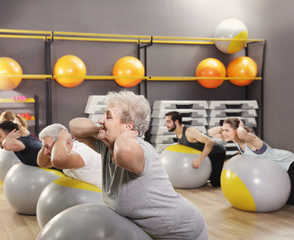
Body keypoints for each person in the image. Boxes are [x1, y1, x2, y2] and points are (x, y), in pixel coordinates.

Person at [69, 90, 208, 240]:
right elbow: (74, 126)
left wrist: (116, 134)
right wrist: (102, 130)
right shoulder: (107, 145)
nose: (101, 120)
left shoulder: (139, 149)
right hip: (153, 234)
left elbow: (124, 151)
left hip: (183, 231)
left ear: (128, 127)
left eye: (108, 116)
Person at [208, 117, 294, 208]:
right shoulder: (237, 142)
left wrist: (241, 125)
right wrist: (224, 127)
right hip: (277, 168)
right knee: (287, 200)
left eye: (227, 130)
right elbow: (211, 132)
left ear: (236, 130)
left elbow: (241, 132)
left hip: (289, 162)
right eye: (223, 130)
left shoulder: (250, 139)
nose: (223, 133)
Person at [165, 111, 226, 187]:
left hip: (216, 152)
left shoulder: (189, 132)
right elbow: (181, 144)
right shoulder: (177, 131)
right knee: (203, 178)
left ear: (176, 122)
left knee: (215, 182)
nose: (166, 125)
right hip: (205, 154)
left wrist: (200, 159)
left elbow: (210, 142)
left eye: (168, 122)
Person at [37, 123, 102, 188]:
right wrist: (45, 145)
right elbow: (43, 164)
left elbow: (59, 160)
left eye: (48, 147)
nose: (45, 153)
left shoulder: (82, 151)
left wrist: (62, 138)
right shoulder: (65, 152)